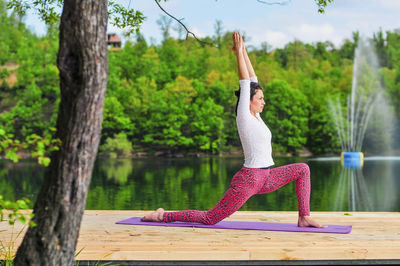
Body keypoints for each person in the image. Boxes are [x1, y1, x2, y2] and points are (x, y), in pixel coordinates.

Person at [142, 32, 327, 228]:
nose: (264, 102)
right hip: (248, 180)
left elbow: (252, 78)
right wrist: (238, 53)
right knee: (210, 218)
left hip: (267, 177)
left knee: (303, 169)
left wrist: (244, 50)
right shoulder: (244, 116)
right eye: (260, 99)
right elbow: (245, 82)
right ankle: (163, 216)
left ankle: (304, 217)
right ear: (249, 101)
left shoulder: (257, 117)